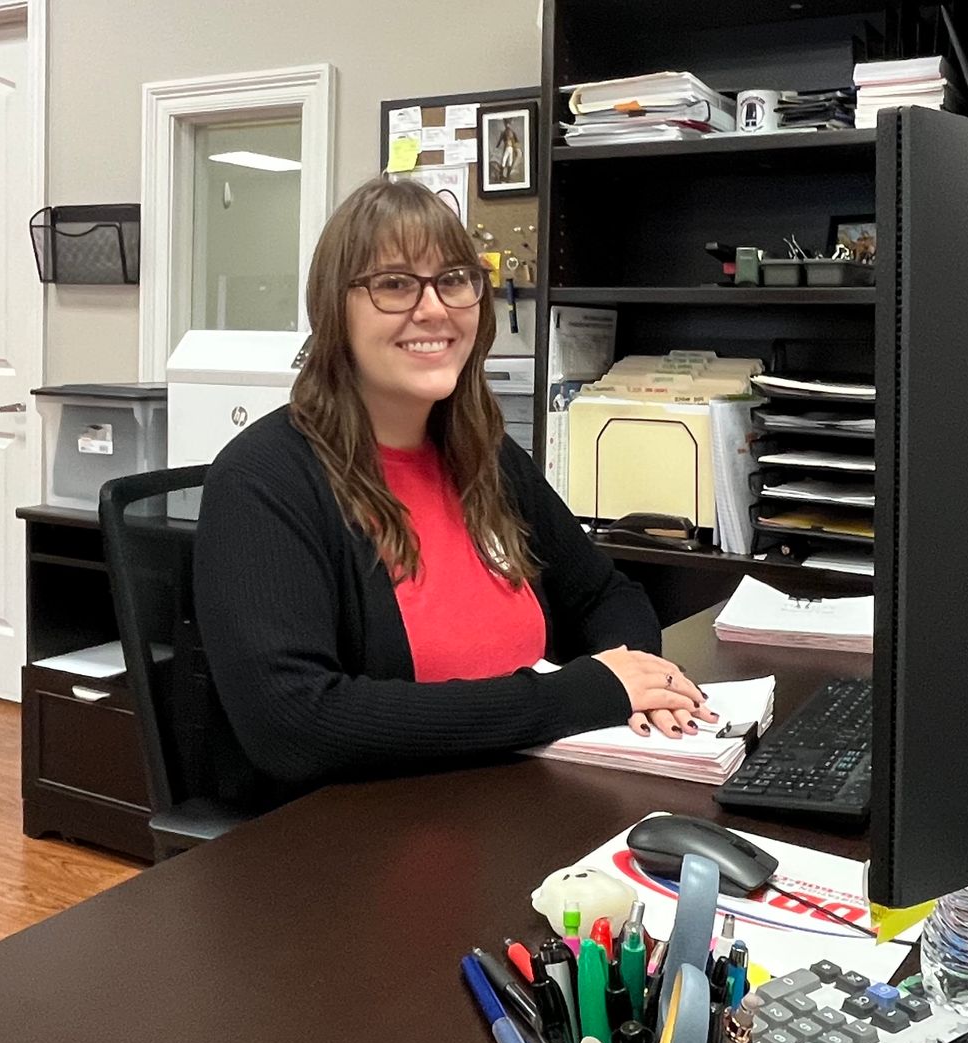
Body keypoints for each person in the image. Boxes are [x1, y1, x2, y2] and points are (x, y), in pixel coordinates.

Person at [196, 178, 713, 804]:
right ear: (335, 309)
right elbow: (296, 724)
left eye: (454, 280)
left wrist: (640, 686)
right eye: (394, 284)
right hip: (350, 831)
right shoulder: (262, 481)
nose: (434, 309)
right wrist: (582, 694)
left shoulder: (486, 458)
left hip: (513, 798)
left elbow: (606, 595)